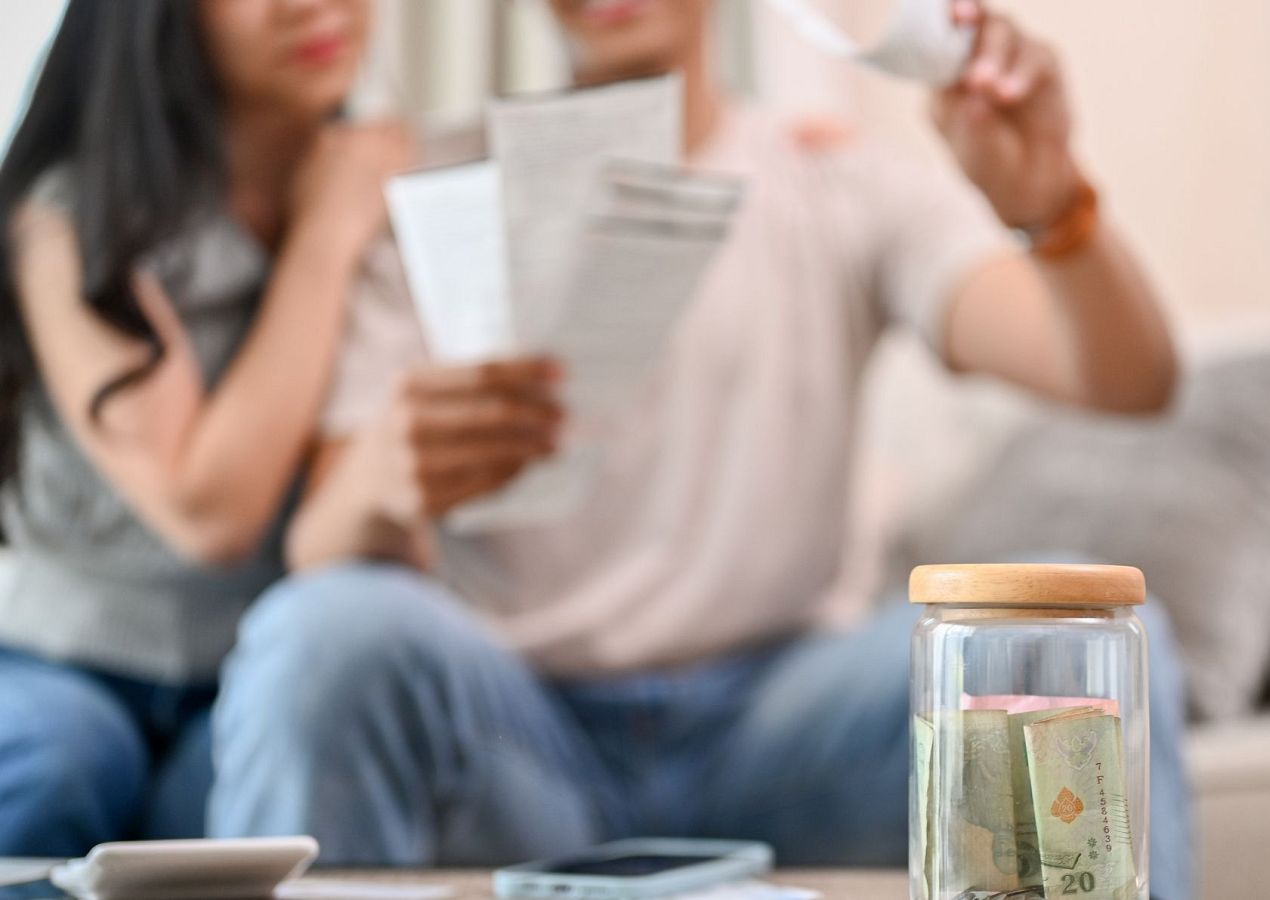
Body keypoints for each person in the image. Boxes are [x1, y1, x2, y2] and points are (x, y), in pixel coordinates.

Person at [211, 0, 1192, 896]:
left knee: (1084, 628)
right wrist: (387, 471)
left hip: (784, 731)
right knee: (320, 634)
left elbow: (1127, 379)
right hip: (522, 735)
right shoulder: (431, 193)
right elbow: (320, 555)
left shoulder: (833, 182)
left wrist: (1053, 203)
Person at [0, 0, 408, 855]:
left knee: (301, 753)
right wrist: (326, 234)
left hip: (247, 684)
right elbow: (209, 511)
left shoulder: (395, 192)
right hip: (61, 669)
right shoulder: (67, 218)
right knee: (65, 756)